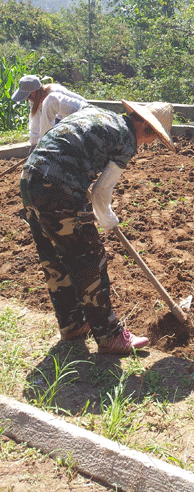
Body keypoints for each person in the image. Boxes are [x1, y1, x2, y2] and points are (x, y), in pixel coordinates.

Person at [19, 100, 176, 354]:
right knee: (90, 258)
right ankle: (109, 335)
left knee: (54, 258)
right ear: (146, 127)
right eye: (154, 137)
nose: (150, 143)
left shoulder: (99, 113)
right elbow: (101, 191)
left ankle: (72, 325)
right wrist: (108, 220)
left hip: (30, 180)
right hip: (60, 188)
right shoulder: (127, 140)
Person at [12, 75, 87, 151]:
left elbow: (66, 113)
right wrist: (34, 145)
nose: (27, 99)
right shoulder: (34, 101)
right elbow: (35, 122)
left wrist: (43, 144)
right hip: (62, 119)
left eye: (27, 96)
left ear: (33, 93)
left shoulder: (54, 93)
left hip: (81, 116)